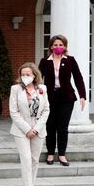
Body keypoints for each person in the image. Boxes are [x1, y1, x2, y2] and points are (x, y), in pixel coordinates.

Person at [38, 35, 86, 166]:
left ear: (64, 46)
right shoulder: (44, 61)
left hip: (66, 98)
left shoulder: (70, 60)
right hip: (49, 98)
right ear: (51, 47)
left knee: (63, 127)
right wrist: (36, 90)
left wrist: (82, 95)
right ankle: (50, 153)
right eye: (55, 45)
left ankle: (62, 154)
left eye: (61, 45)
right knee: (50, 126)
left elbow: (78, 78)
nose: (58, 47)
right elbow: (37, 78)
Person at [9, 62, 50, 186]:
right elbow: (14, 112)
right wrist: (27, 129)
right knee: (26, 159)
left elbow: (46, 110)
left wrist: (37, 128)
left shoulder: (42, 89)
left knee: (34, 160)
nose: (25, 77)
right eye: (23, 74)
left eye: (28, 74)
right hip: (21, 130)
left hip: (38, 130)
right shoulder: (15, 89)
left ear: (34, 75)